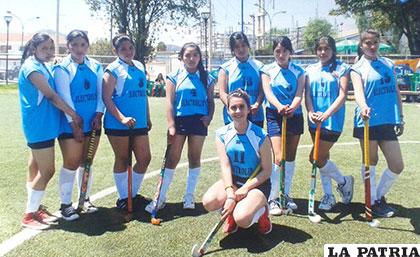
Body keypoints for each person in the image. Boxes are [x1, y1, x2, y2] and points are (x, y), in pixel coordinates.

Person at [18, 33, 82, 229]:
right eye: (44, 48)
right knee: (47, 170)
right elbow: (51, 96)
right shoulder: (31, 68)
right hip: (39, 126)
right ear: (34, 49)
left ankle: (35, 208)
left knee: (36, 168)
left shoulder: (41, 64)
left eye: (51, 48)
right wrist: (73, 113)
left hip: (45, 125)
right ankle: (29, 215)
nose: (48, 52)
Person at [145, 42, 215, 212]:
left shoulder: (208, 78)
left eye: (195, 55)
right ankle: (160, 198)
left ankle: (189, 196)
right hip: (180, 121)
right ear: (182, 58)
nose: (192, 59)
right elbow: (169, 102)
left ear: (200, 57)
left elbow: (211, 101)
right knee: (172, 159)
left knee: (194, 158)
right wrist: (171, 125)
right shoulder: (174, 76)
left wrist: (209, 117)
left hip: (199, 122)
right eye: (188, 55)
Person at [202, 89, 272, 235]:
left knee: (243, 219)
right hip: (233, 181)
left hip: (256, 184)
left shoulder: (260, 135)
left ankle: (262, 212)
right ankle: (232, 212)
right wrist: (230, 194)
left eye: (242, 107)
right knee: (208, 201)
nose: (238, 111)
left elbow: (267, 171)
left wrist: (246, 188)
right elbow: (225, 166)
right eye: (233, 107)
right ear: (227, 110)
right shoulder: (222, 134)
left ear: (248, 110)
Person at [351, 29, 404, 218]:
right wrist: (363, 106)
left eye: (374, 42)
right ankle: (371, 201)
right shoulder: (357, 68)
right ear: (361, 45)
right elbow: (358, 93)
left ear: (379, 42)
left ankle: (379, 196)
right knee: (370, 162)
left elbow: (396, 91)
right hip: (367, 121)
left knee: (397, 165)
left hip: (388, 121)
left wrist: (400, 117)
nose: (372, 46)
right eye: (367, 43)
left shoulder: (388, 63)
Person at [53, 30, 104, 221]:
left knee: (87, 162)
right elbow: (64, 97)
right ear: (68, 46)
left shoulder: (96, 66)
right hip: (70, 125)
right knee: (72, 162)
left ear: (87, 46)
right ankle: (65, 205)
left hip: (93, 122)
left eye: (83, 44)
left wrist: (98, 114)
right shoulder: (62, 68)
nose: (79, 49)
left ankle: (84, 199)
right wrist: (74, 124)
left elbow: (101, 94)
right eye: (74, 44)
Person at [304, 36, 354, 211]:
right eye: (319, 49)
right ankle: (329, 196)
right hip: (315, 121)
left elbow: (342, 96)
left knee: (315, 158)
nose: (323, 52)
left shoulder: (342, 68)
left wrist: (326, 114)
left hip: (332, 121)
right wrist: (310, 112)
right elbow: (307, 95)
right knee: (323, 158)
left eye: (326, 49)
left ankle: (344, 181)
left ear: (333, 50)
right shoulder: (310, 70)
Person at [103, 34, 152, 210]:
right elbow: (106, 98)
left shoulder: (139, 66)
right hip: (118, 124)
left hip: (138, 123)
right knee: (122, 159)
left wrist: (147, 116)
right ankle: (123, 198)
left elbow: (143, 94)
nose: (128, 51)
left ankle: (132, 194)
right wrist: (122, 118)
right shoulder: (113, 69)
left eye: (130, 47)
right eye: (123, 48)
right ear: (115, 51)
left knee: (145, 158)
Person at [261, 36, 305, 215]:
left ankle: (285, 194)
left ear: (290, 52)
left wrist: (293, 107)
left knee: (290, 156)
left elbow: (299, 92)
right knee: (278, 157)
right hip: (274, 114)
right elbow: (267, 92)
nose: (281, 55)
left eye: (284, 51)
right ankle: (273, 198)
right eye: (277, 51)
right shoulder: (267, 70)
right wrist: (279, 106)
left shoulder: (299, 71)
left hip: (295, 114)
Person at [218, 32, 264, 127]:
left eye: (243, 45)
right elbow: (222, 93)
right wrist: (234, 107)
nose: (241, 49)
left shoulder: (259, 66)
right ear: (232, 49)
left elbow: (263, 90)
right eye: (237, 47)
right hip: (233, 117)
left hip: (255, 115)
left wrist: (257, 104)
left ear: (248, 46)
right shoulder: (225, 68)